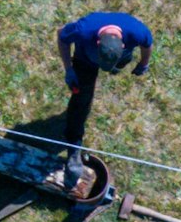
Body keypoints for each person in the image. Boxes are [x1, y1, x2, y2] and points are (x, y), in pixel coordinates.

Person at [56, 11, 154, 145]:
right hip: (85, 60)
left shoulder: (137, 32)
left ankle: (117, 66)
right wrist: (68, 69)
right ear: (97, 42)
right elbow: (61, 34)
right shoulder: (83, 30)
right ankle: (74, 139)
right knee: (81, 99)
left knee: (124, 61)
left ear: (123, 46)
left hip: (122, 56)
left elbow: (147, 44)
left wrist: (144, 63)